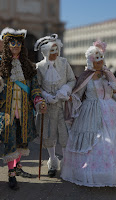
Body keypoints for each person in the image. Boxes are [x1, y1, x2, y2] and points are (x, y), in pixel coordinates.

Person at [61, 41, 116, 187]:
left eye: (101, 59)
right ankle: (93, 173)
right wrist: (70, 98)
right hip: (90, 111)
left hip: (111, 112)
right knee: (98, 142)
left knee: (115, 141)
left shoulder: (108, 75)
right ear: (91, 61)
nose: (100, 62)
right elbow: (78, 93)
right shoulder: (86, 76)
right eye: (97, 60)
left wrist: (114, 89)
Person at [0, 27, 47, 190]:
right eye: (12, 43)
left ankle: (18, 167)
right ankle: (11, 174)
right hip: (6, 110)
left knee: (22, 140)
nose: (15, 45)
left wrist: (39, 101)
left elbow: (35, 88)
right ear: (7, 45)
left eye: (18, 43)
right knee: (10, 141)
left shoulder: (29, 66)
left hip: (24, 110)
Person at [34, 34, 76, 177]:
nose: (55, 53)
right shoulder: (39, 67)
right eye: (52, 51)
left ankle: (66, 163)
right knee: (48, 134)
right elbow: (36, 86)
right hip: (47, 107)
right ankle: (52, 161)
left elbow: (71, 80)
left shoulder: (64, 63)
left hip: (63, 105)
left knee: (64, 135)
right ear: (45, 52)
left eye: (56, 50)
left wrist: (64, 90)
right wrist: (45, 96)